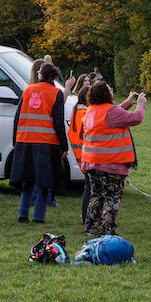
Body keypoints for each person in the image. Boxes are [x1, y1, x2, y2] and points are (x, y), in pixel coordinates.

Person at [80, 83, 148, 236]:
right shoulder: (110, 111)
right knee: (112, 197)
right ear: (107, 94)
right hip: (111, 163)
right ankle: (108, 230)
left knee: (96, 195)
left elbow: (113, 116)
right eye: (110, 90)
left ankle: (91, 228)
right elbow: (136, 118)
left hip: (92, 162)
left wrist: (128, 102)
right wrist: (140, 104)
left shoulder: (91, 111)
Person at [9, 61, 68, 224]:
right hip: (46, 143)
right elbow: (58, 122)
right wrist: (64, 145)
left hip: (25, 141)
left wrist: (16, 140)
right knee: (44, 181)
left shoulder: (27, 90)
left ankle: (22, 214)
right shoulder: (56, 93)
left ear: (40, 74)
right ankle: (38, 217)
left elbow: (17, 118)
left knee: (27, 179)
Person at [66, 76, 92, 222]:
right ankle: (87, 216)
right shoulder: (85, 114)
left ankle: (85, 215)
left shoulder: (76, 112)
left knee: (87, 187)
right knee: (90, 189)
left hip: (79, 156)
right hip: (87, 156)